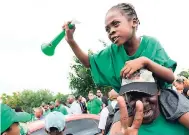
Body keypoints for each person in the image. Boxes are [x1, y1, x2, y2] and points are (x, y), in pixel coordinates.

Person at [62, 2, 189, 127]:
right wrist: (71, 40)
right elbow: (88, 62)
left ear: (134, 22)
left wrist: (145, 62)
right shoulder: (111, 53)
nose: (111, 31)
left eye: (115, 24)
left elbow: (170, 77)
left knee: (182, 112)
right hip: (128, 101)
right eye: (107, 29)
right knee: (117, 127)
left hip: (160, 96)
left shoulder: (151, 44)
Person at [109, 71, 189, 135]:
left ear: (158, 91)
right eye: (133, 97)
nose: (141, 103)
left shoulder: (182, 121)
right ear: (125, 99)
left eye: (147, 94)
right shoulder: (121, 130)